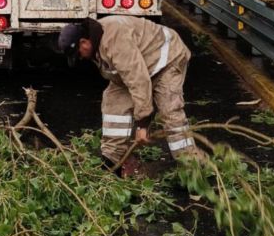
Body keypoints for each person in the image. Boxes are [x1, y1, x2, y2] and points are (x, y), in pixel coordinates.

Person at [58, 16, 203, 175]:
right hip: (139, 65)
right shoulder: (96, 40)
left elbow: (138, 80)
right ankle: (111, 161)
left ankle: (193, 169)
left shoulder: (114, 41)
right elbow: (128, 74)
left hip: (167, 58)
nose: (81, 58)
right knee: (113, 104)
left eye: (79, 54)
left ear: (83, 42)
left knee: (170, 111)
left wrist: (143, 124)